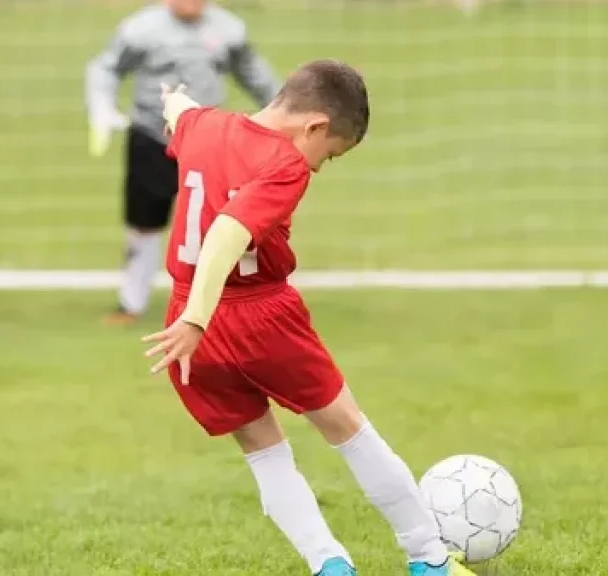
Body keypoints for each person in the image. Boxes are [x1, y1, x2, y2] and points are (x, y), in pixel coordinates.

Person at [142, 61, 474, 576]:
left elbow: (181, 112)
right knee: (348, 429)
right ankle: (429, 559)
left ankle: (330, 565)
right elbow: (227, 233)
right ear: (314, 126)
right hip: (251, 314)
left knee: (262, 452)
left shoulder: (202, 125)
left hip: (190, 322)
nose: (320, 166)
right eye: (331, 153)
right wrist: (197, 318)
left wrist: (171, 100)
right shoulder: (284, 164)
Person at [85, 0, 279, 325]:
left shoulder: (229, 29)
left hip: (209, 140)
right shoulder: (139, 29)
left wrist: (285, 117)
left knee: (223, 221)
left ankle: (231, 301)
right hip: (153, 136)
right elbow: (105, 67)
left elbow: (255, 76)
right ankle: (131, 302)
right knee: (144, 222)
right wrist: (101, 107)